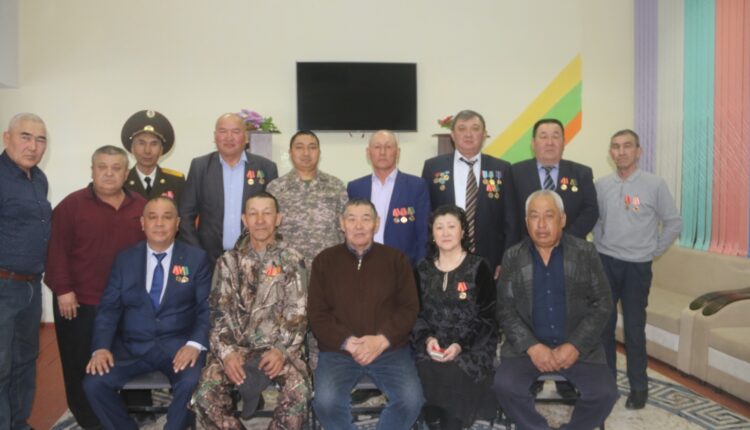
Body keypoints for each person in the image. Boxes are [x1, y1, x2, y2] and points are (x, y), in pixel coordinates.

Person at [493, 190, 618, 430]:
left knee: (605, 394)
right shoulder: (513, 257)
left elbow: (603, 303)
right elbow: (505, 309)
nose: (541, 224)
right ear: (526, 222)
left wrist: (575, 345)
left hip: (578, 348)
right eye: (534, 216)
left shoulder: (585, 253)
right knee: (504, 386)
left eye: (549, 216)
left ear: (562, 219)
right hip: (526, 350)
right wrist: (532, 346)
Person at [82, 197, 211, 430]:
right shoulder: (125, 259)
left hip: (178, 347)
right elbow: (109, 308)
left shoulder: (196, 259)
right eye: (152, 217)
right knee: (94, 383)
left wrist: (194, 344)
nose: (159, 223)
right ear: (142, 223)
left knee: (192, 381)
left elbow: (206, 308)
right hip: (131, 347)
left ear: (177, 223)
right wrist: (100, 347)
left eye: (167, 217)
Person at [45, 145, 146, 429]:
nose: (109, 174)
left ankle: (129, 411)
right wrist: (63, 290)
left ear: (126, 173)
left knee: (124, 360)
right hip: (80, 302)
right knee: (80, 363)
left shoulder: (140, 205)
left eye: (116, 168)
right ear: (92, 170)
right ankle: (88, 419)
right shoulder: (71, 205)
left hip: (127, 303)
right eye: (102, 167)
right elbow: (56, 251)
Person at [192, 192, 309, 430]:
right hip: (235, 349)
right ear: (244, 219)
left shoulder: (292, 260)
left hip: (277, 349)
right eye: (253, 214)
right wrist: (227, 353)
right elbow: (217, 314)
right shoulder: (228, 261)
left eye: (267, 213)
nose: (260, 220)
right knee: (204, 396)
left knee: (299, 393)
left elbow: (297, 315)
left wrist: (281, 351)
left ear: (278, 218)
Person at [308, 199, 424, 430]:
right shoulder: (324, 261)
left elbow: (410, 308)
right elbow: (317, 314)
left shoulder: (396, 259)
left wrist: (381, 340)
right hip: (339, 351)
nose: (359, 226)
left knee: (411, 401)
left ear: (376, 224)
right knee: (326, 403)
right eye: (351, 219)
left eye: (366, 219)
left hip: (389, 350)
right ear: (342, 224)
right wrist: (349, 342)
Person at [594, 129, 682, 410]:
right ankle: (606, 384)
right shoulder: (601, 185)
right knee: (604, 328)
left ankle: (638, 387)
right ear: (610, 152)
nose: (621, 152)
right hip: (605, 263)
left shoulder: (654, 184)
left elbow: (674, 222)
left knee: (633, 329)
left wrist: (653, 250)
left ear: (638, 151)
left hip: (637, 267)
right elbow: (596, 221)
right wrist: (599, 246)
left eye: (627, 146)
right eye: (615, 146)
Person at [411, 205, 497, 430]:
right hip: (431, 346)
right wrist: (428, 340)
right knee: (425, 369)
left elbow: (487, 317)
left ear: (463, 232)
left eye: (451, 226)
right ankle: (434, 422)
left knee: (454, 373)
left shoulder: (479, 267)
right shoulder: (422, 269)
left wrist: (460, 345)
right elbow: (414, 313)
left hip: (471, 347)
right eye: (439, 227)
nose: (445, 233)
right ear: (432, 234)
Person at [421, 109, 518, 279]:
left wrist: (506, 260)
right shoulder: (433, 167)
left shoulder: (501, 168)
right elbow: (426, 216)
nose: (468, 134)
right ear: (452, 135)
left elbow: (511, 220)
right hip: (444, 257)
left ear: (484, 134)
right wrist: (430, 256)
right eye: (462, 128)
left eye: (475, 128)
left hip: (490, 260)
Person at [0, 113, 51, 430]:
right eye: (25, 137)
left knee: (24, 361)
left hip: (31, 286)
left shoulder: (39, 178)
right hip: (3, 286)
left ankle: (18, 423)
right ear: (7, 138)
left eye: (40, 139)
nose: (33, 146)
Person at [179, 113, 278, 264]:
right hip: (209, 259)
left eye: (236, 131)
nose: (229, 137)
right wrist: (198, 252)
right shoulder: (200, 167)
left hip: (254, 258)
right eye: (223, 131)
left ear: (246, 137)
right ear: (215, 136)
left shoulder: (266, 168)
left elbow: (273, 216)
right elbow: (185, 215)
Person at [348, 130, 430, 267]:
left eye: (388, 147)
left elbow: (424, 234)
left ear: (398, 152)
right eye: (377, 147)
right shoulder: (355, 187)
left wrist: (420, 270)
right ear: (368, 153)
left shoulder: (416, 186)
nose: (382, 152)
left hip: (403, 267)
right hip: (362, 265)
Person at [266, 130, 346, 268]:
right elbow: (268, 230)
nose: (306, 153)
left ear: (319, 152)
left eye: (312, 147)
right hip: (288, 268)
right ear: (290, 152)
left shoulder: (336, 186)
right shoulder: (275, 188)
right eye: (299, 147)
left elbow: (345, 229)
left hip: (329, 267)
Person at [511, 118, 598, 239]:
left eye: (555, 137)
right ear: (533, 143)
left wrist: (564, 240)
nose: (550, 142)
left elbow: (591, 212)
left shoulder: (581, 173)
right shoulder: (515, 172)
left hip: (571, 245)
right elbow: (510, 214)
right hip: (526, 245)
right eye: (543, 137)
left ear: (563, 143)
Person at [120, 109, 186, 204]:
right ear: (132, 148)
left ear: (161, 149)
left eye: (154, 144)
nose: (147, 151)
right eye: (141, 143)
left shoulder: (176, 182)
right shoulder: (122, 181)